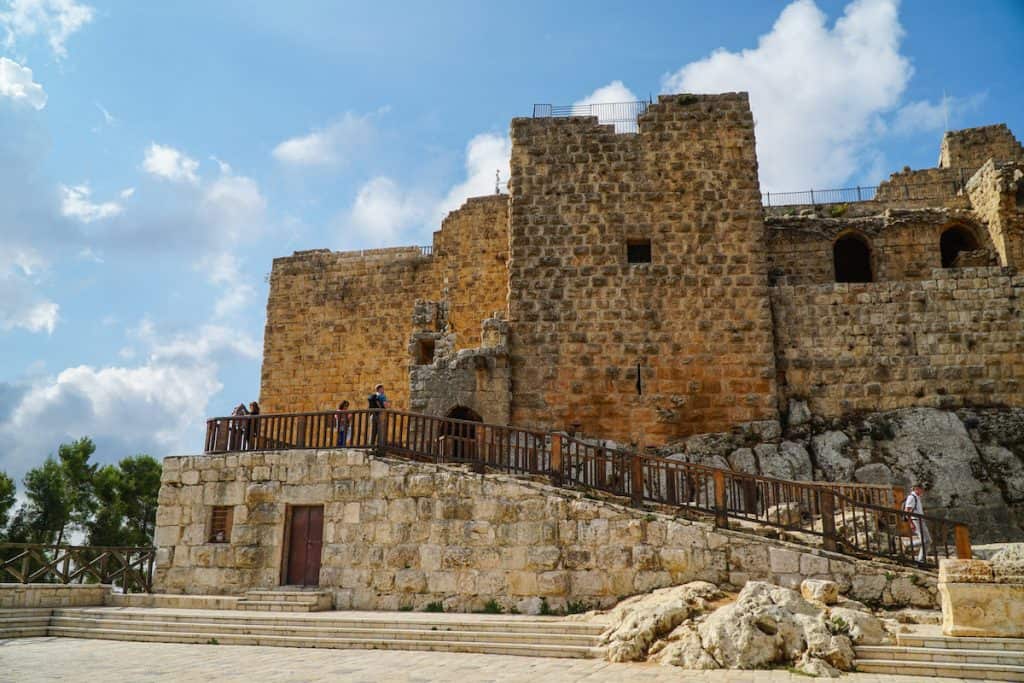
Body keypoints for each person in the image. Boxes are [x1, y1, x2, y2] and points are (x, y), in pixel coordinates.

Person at [903, 483, 930, 563]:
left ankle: (920, 560)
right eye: (922, 489)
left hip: (920, 520)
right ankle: (907, 544)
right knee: (925, 540)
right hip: (916, 520)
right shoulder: (911, 497)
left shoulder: (917, 497)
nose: (923, 491)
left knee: (928, 540)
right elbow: (907, 511)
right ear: (917, 489)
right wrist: (911, 523)